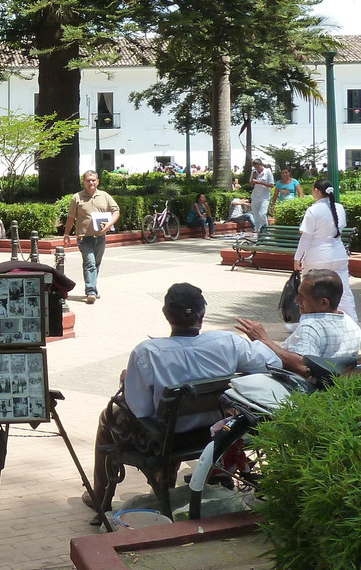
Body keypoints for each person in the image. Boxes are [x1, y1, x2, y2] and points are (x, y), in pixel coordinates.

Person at [83, 283, 279, 521]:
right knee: (159, 417)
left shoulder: (147, 353)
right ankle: (172, 478)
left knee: (110, 416)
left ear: (166, 315)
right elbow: (273, 363)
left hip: (167, 439)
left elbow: (141, 410)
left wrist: (128, 381)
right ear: (202, 316)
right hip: (214, 433)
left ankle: (101, 497)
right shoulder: (227, 342)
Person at [236, 269, 361, 371]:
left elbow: (303, 368)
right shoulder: (350, 323)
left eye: (302, 296)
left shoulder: (311, 326)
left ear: (324, 303)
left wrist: (264, 340)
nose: (296, 300)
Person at [294, 178, 357, 321]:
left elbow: (306, 237)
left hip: (317, 256)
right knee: (344, 291)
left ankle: (308, 322)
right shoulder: (339, 208)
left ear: (316, 191)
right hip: (338, 255)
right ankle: (352, 322)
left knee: (311, 292)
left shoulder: (313, 210)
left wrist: (297, 258)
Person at [62, 171, 120, 305]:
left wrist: (110, 224)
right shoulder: (77, 197)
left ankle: (93, 286)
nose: (91, 182)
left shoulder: (104, 196)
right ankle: (91, 292)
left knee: (96, 264)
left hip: (100, 237)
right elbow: (71, 218)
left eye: (93, 180)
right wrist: (66, 235)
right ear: (84, 181)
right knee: (90, 263)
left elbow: (116, 211)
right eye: (88, 180)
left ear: (98, 181)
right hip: (84, 238)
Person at [249, 157, 274, 231]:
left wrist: (260, 182)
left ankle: (266, 232)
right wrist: (253, 178)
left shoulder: (268, 172)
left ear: (261, 165)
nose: (257, 169)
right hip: (255, 197)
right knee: (256, 217)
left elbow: (272, 185)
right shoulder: (253, 172)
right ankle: (259, 235)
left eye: (258, 167)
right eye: (255, 167)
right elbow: (251, 185)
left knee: (262, 214)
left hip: (264, 197)